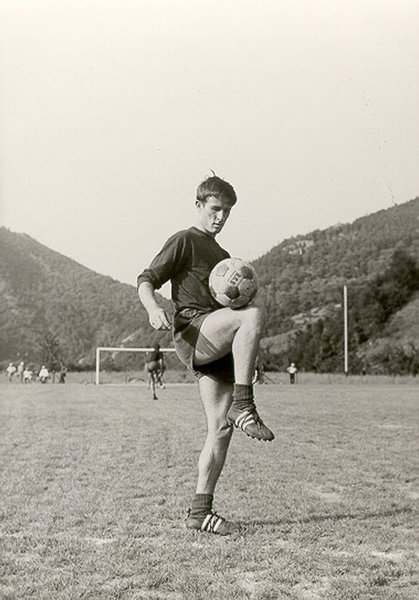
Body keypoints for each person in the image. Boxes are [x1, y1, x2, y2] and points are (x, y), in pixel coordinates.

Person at [137, 174, 274, 536]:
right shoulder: (184, 240)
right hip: (193, 330)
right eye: (215, 209)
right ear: (198, 205)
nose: (220, 217)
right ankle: (244, 404)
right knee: (253, 314)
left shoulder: (224, 258)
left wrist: (250, 356)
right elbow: (146, 279)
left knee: (221, 429)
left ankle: (200, 511)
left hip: (217, 338)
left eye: (226, 211)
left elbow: (232, 315)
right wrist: (152, 307)